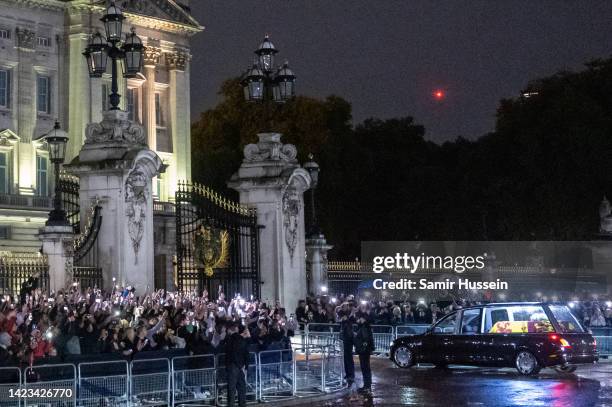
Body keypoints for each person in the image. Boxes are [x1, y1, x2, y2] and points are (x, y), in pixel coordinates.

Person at [225, 322, 249, 407]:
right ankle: (242, 404)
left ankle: (231, 405)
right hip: (241, 366)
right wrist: (245, 365)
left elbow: (230, 353)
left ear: (230, 330)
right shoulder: (242, 339)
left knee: (231, 388)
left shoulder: (229, 339)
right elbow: (246, 352)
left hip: (233, 366)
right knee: (241, 387)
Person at [354, 302, 374, 395]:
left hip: (364, 347)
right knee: (364, 367)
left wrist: (363, 317)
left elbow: (366, 337)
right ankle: (367, 386)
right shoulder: (364, 321)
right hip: (364, 346)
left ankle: (367, 387)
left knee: (365, 367)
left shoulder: (367, 321)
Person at [336, 301, 356, 388]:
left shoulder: (350, 315)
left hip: (349, 337)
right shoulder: (341, 314)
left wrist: (351, 314)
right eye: (345, 306)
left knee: (349, 356)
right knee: (345, 356)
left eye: (347, 306)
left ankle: (351, 375)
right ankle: (348, 374)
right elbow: (340, 319)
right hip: (345, 336)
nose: (346, 307)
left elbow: (351, 320)